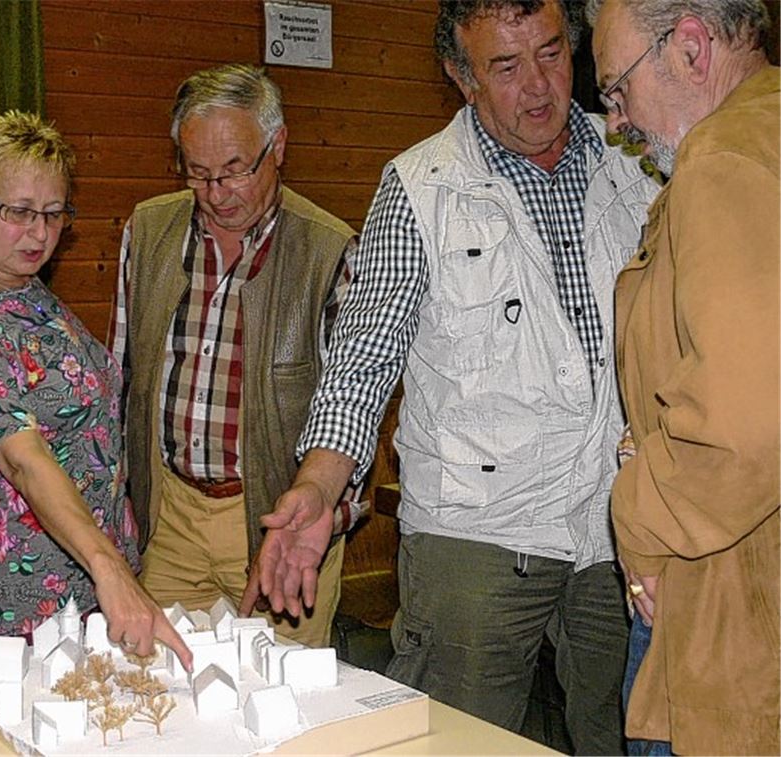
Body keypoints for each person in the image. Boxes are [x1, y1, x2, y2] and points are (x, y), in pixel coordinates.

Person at [247, 0, 661, 751]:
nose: (538, 86)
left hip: (616, 524)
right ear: (462, 78)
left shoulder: (635, 160)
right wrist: (314, 487)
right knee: (463, 741)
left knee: (626, 734)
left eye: (550, 53)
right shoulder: (419, 187)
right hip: (476, 528)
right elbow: (362, 361)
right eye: (506, 67)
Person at [0, 111, 191, 669]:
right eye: (19, 212)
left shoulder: (21, 285)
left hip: (88, 576)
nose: (39, 233)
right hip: (20, 596)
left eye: (55, 214)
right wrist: (110, 569)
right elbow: (24, 460)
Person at [587, 0, 780, 753]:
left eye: (615, 89)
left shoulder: (727, 158)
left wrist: (636, 511)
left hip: (730, 617)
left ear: (692, 47)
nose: (613, 123)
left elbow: (746, 420)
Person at [111, 63, 357, 648]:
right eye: (197, 174)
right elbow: (120, 379)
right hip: (170, 518)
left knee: (284, 710)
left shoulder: (330, 251)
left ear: (278, 147)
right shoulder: (148, 231)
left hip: (278, 527)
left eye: (234, 171)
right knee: (163, 696)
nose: (217, 194)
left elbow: (354, 408)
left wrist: (329, 516)